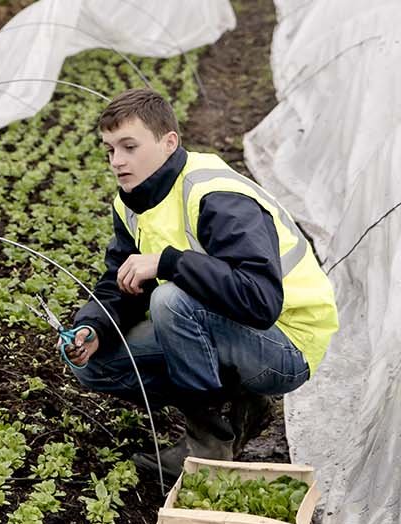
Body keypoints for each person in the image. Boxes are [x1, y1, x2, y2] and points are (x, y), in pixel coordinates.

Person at [64, 88, 338, 477]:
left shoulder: (216, 196)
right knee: (95, 364)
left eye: (129, 147)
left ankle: (209, 449)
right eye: (109, 150)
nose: (117, 161)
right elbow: (119, 279)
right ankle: (241, 406)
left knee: (171, 302)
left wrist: (169, 262)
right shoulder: (131, 202)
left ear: (168, 142)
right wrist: (93, 326)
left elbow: (260, 301)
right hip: (224, 326)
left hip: (287, 343)